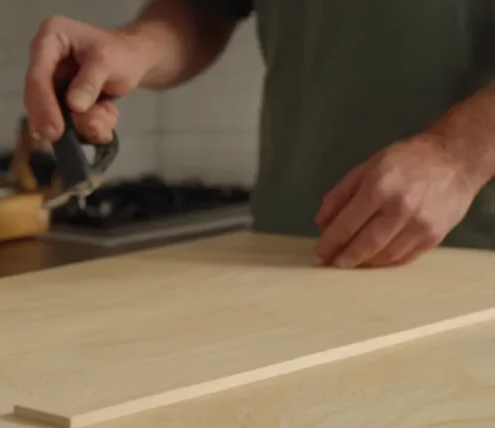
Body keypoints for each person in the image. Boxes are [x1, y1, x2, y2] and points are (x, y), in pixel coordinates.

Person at [24, 0, 495, 268]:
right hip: (290, 252)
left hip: (473, 264)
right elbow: (204, 8)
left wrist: (457, 155)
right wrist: (132, 48)